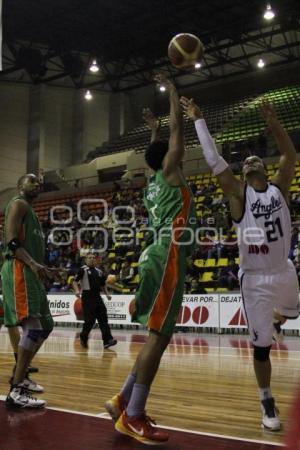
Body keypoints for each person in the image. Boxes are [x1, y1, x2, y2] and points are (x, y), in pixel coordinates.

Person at [181, 96, 299, 431]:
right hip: (255, 279)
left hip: (284, 270)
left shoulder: (280, 189)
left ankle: (278, 322)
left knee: (293, 312)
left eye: (253, 159)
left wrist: (274, 124)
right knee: (261, 348)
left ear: (263, 167)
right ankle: (266, 398)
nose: (247, 162)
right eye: (243, 161)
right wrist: (198, 120)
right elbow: (213, 159)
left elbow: (290, 154)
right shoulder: (237, 194)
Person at [105, 74, 197, 445]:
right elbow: (179, 133)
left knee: (155, 337)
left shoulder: (154, 182)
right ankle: (134, 415)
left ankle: (122, 400)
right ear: (169, 160)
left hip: (157, 255)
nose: (180, 151)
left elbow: (159, 151)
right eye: (173, 151)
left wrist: (154, 131)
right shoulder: (171, 173)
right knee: (158, 339)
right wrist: (173, 96)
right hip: (167, 257)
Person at [1, 173, 55, 408]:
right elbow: (12, 242)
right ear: (19, 185)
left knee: (47, 326)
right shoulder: (19, 204)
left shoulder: (33, 213)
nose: (37, 184)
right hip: (19, 270)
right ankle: (16, 390)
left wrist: (42, 266)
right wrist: (32, 264)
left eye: (38, 182)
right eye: (31, 180)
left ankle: (21, 375)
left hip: (31, 272)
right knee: (32, 327)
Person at [72, 253, 117, 349]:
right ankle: (83, 336)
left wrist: (107, 294)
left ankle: (107, 340)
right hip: (87, 298)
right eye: (90, 258)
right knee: (89, 321)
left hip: (97, 297)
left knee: (103, 319)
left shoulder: (99, 271)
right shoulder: (83, 269)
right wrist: (77, 290)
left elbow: (103, 284)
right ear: (86, 260)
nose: (92, 259)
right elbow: (75, 281)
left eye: (93, 258)